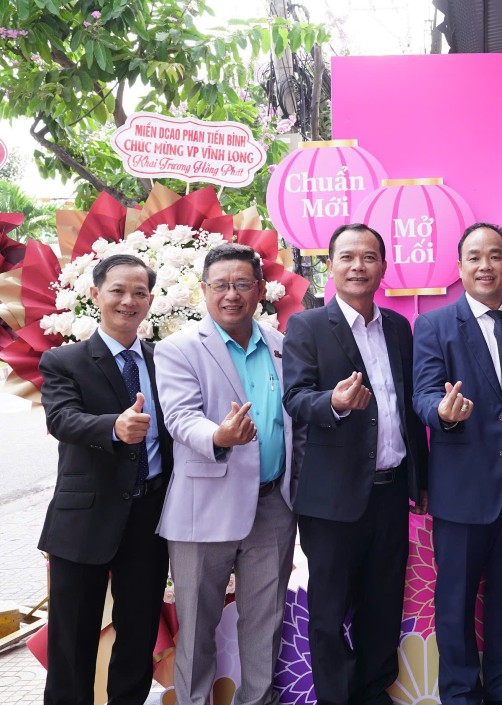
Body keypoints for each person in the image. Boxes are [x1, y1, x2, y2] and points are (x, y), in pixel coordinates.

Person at [282, 224, 429, 705]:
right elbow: (295, 398)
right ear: (330, 266)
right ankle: (336, 697)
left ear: (383, 267)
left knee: (382, 604)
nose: (358, 266)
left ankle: (372, 691)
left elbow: (407, 409)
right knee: (328, 612)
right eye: (347, 257)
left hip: (390, 491)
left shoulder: (398, 328)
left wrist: (419, 479)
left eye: (368, 257)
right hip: (331, 497)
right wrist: (335, 402)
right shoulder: (307, 326)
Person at [412, 223, 502, 705]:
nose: (485, 265)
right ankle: (459, 693)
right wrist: (442, 413)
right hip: (463, 488)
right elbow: (423, 393)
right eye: (474, 257)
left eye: (495, 255)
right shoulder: (434, 325)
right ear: (459, 267)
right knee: (456, 600)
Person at [154, 242, 303, 705]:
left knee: (265, 623)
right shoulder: (178, 349)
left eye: (242, 284)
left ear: (259, 289)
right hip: (205, 507)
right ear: (203, 290)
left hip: (273, 506)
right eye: (220, 285)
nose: (231, 294)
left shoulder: (281, 345)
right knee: (198, 627)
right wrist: (219, 435)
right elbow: (180, 417)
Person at [38, 254, 172, 705]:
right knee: (72, 642)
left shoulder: (163, 360)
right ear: (96, 295)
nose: (128, 300)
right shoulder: (65, 360)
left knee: (138, 638)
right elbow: (62, 419)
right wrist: (113, 426)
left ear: (150, 300)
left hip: (149, 517)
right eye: (117, 290)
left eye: (139, 292)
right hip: (85, 519)